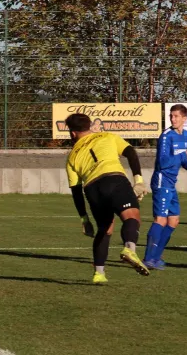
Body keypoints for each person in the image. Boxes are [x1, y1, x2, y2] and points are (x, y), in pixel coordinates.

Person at [65, 113, 150, 283]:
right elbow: (131, 153)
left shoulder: (72, 157)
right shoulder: (108, 136)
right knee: (131, 216)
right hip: (114, 178)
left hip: (92, 189)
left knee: (105, 229)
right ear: (89, 126)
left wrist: (84, 218)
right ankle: (129, 249)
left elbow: (76, 191)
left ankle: (99, 274)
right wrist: (138, 180)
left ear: (73, 133)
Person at [143, 104, 187, 270]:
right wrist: (184, 154)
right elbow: (163, 162)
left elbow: (181, 160)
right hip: (162, 181)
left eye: (176, 116)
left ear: (185, 118)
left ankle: (156, 257)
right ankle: (149, 258)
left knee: (174, 220)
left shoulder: (185, 135)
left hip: (171, 183)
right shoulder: (166, 136)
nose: (173, 119)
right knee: (161, 220)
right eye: (171, 116)